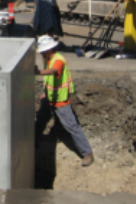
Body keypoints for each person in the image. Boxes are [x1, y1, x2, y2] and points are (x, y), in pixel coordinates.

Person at [34, 35, 94, 166]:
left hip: (60, 100)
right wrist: (45, 93)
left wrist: (39, 72)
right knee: (40, 120)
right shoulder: (47, 58)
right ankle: (33, 143)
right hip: (50, 97)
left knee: (72, 126)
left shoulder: (58, 60)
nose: (42, 53)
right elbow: (49, 80)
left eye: (43, 50)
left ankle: (87, 153)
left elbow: (53, 71)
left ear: (50, 49)